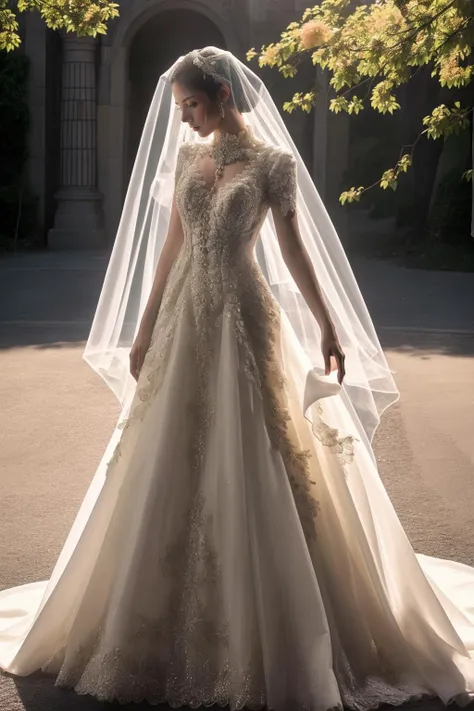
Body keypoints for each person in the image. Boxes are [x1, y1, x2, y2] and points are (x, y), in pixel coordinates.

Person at [1, 46, 474, 711]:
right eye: (180, 109)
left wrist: (329, 324)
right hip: (184, 320)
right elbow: (172, 244)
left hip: (245, 319)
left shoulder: (273, 165)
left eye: (191, 106)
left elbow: (292, 248)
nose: (185, 120)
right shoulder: (185, 160)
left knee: (258, 451)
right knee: (162, 455)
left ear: (222, 94)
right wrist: (143, 328)